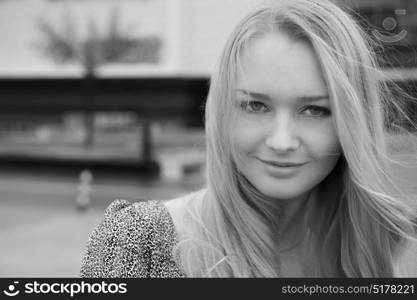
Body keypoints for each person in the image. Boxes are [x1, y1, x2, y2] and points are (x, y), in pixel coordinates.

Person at [80, 0, 417, 277]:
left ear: (353, 122)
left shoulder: (390, 247)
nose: (282, 142)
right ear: (223, 110)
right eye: (255, 105)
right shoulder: (139, 242)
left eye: (315, 110)